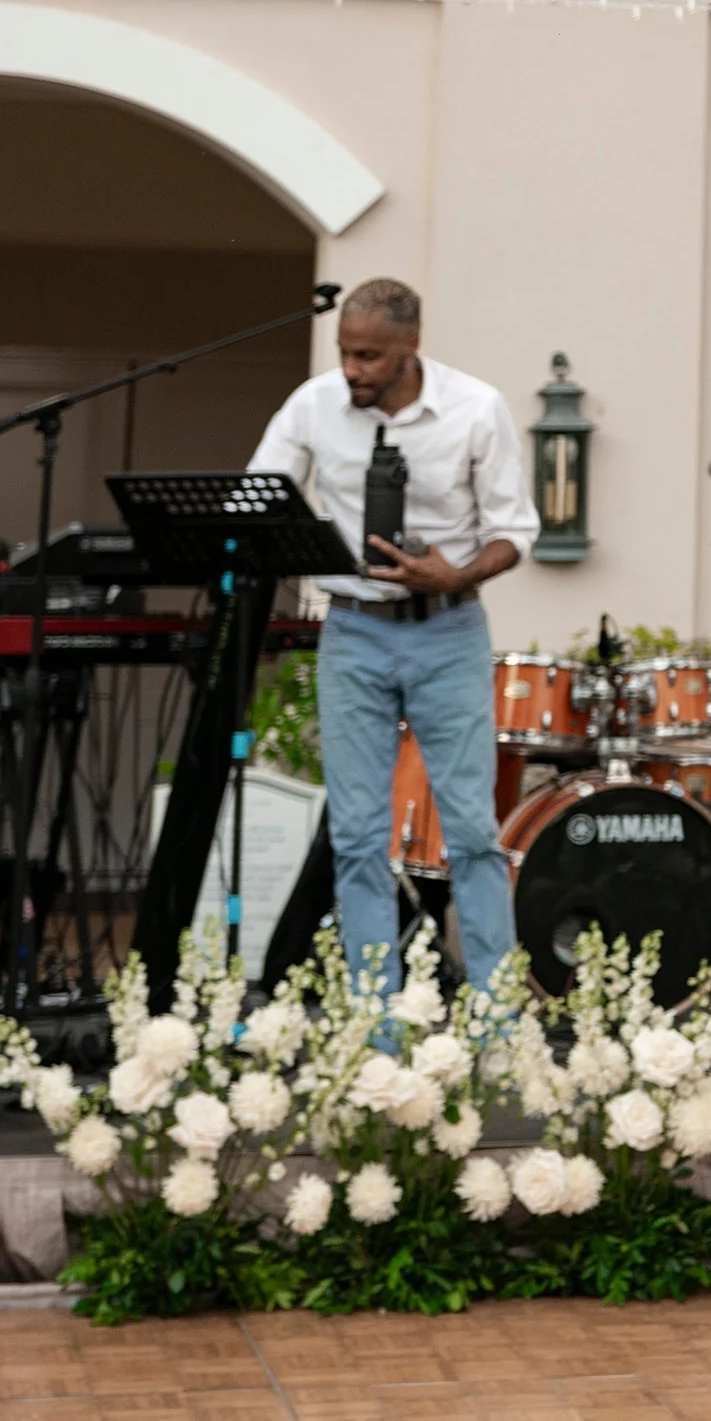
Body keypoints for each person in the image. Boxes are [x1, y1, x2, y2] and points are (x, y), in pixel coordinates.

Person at [247, 278, 538, 994]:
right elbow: (256, 497)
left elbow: (514, 530)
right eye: (345, 353)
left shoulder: (476, 408)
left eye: (370, 356)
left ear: (411, 346)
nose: (353, 370)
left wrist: (456, 573)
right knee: (355, 836)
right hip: (353, 630)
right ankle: (375, 1017)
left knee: (470, 831)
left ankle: (496, 1012)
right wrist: (286, 538)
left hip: (449, 627)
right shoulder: (313, 404)